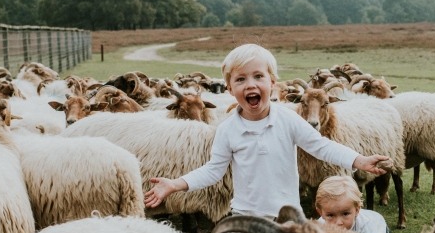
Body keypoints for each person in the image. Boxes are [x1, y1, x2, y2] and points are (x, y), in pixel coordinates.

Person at [144, 44, 392, 218]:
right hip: (245, 217)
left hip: (288, 215)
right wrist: (175, 184)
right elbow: (213, 170)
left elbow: (321, 146)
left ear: (272, 83)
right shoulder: (227, 129)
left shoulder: (288, 119)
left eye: (258, 76)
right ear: (230, 88)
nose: (250, 84)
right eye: (240, 79)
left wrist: (359, 160)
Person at [315, 175, 390, 233]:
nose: (338, 222)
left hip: (378, 228)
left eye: (345, 214)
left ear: (357, 210)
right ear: (321, 213)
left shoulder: (366, 227)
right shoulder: (321, 226)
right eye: (330, 215)